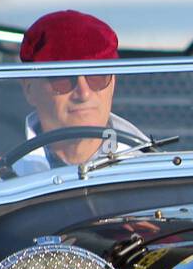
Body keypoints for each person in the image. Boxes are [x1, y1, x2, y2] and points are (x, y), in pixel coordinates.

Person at [15, 9, 144, 170]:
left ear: (112, 83)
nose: (84, 93)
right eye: (63, 79)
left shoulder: (151, 173)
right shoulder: (0, 182)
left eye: (97, 77)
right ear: (29, 89)